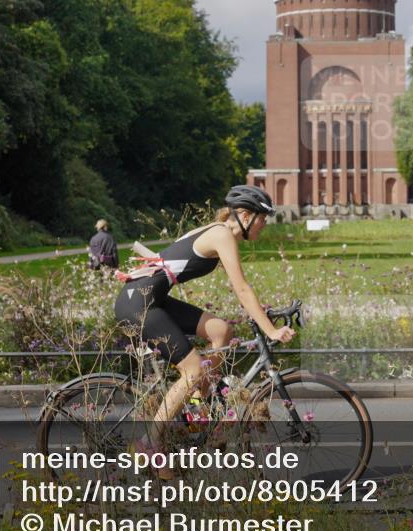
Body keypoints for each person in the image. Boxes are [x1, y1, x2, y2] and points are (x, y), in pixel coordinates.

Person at [113, 186, 295, 471]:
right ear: (245, 215)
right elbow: (242, 288)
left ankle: (199, 408)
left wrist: (266, 313)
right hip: (138, 304)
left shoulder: (218, 231)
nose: (265, 224)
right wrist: (270, 330)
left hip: (151, 298)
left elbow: (242, 292)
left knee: (221, 330)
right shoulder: (222, 234)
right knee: (193, 370)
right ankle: (148, 443)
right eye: (263, 218)